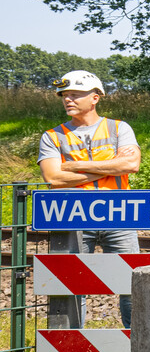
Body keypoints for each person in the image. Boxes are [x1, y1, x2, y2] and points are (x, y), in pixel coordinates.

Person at [38, 71, 141, 328]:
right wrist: (110, 166)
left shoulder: (119, 128)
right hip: (73, 217)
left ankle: (136, 343)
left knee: (131, 283)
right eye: (64, 95)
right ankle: (72, 349)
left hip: (119, 214)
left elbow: (131, 163)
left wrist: (76, 166)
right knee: (72, 284)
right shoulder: (52, 136)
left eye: (75, 94)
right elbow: (53, 178)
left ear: (95, 97)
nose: (67, 100)